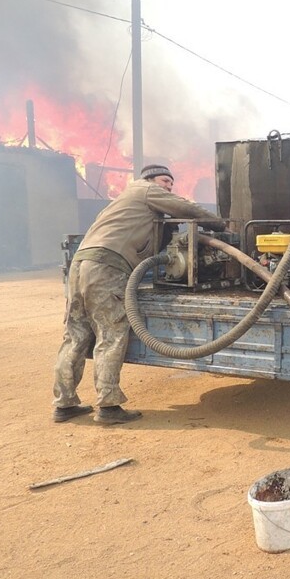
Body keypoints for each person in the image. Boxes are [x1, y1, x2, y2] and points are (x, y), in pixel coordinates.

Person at [52, 164, 227, 424]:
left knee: (76, 335)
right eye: (165, 180)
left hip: (81, 264)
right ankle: (108, 407)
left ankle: (64, 404)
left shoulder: (122, 201)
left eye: (170, 183)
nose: (169, 186)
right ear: (150, 179)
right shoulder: (145, 190)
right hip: (106, 267)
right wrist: (219, 224)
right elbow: (186, 208)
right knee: (111, 334)